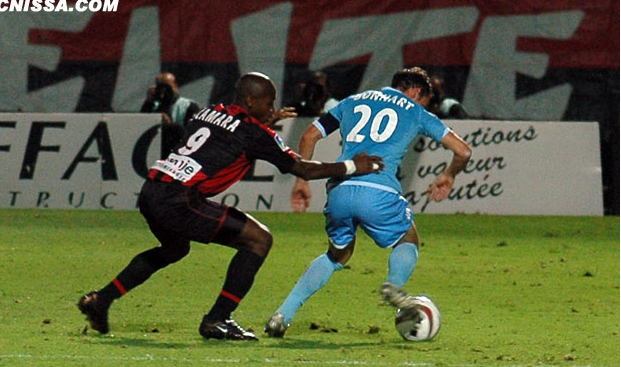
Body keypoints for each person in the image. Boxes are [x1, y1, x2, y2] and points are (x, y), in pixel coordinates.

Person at [78, 72, 384, 341]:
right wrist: (352, 166)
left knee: (173, 250)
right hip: (179, 199)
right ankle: (218, 319)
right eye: (269, 101)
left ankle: (101, 300)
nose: (273, 107)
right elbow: (303, 169)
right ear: (251, 102)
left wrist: (263, 121)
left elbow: (227, 132)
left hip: (153, 190)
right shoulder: (255, 133)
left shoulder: (209, 112)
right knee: (259, 239)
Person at [265, 67, 472, 338]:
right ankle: (394, 286)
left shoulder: (351, 101)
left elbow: (308, 136)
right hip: (378, 190)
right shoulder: (416, 110)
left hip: (340, 188)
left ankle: (282, 314)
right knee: (407, 239)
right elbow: (464, 151)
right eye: (424, 99)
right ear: (416, 92)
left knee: (336, 255)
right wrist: (448, 174)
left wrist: (302, 181)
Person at [140, 71, 201, 158]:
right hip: (154, 149)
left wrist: (170, 126)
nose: (164, 91)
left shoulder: (189, 106)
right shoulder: (153, 106)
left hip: (179, 152)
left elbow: (193, 134)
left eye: (167, 87)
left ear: (175, 86)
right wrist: (148, 102)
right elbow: (140, 127)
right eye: (160, 87)